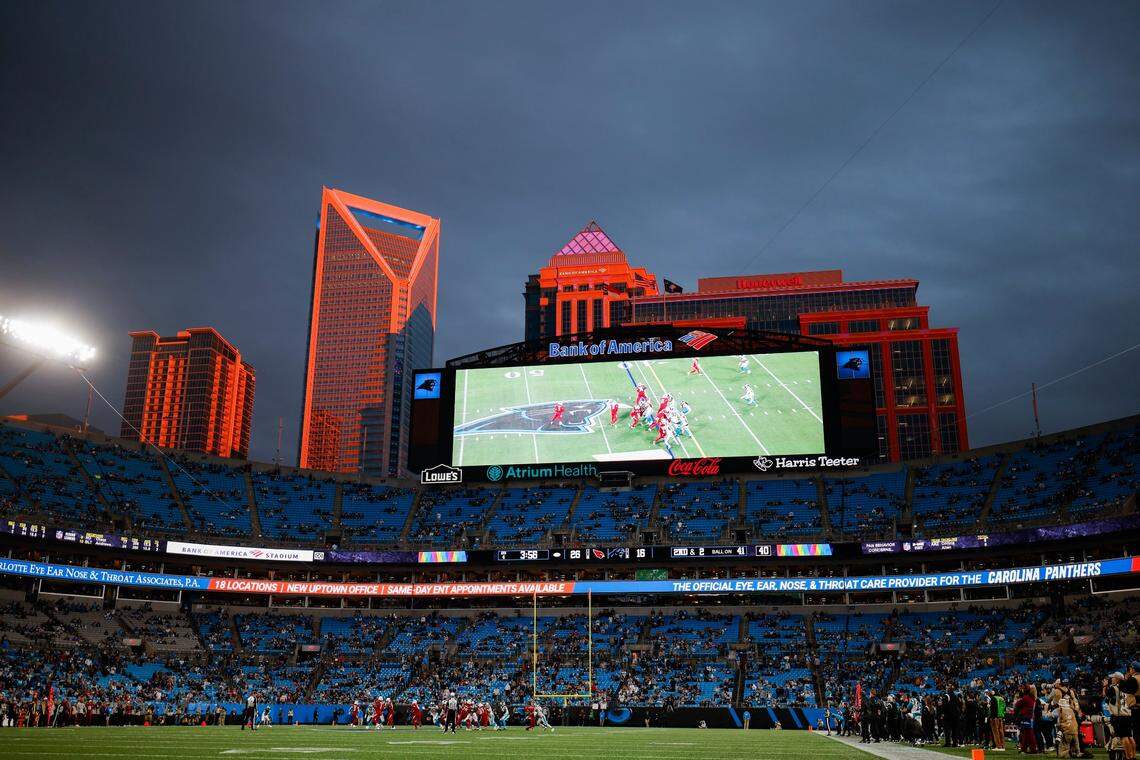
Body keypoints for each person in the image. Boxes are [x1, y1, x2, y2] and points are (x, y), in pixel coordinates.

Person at [1106, 671, 1135, 760]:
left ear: (1118, 679)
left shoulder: (1114, 688)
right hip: (1128, 714)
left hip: (1120, 715)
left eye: (1113, 677)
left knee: (1124, 737)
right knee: (1130, 737)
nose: (1111, 679)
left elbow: (1107, 697)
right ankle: (1132, 756)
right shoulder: (1128, 688)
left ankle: (1128, 757)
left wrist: (1105, 686)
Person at [1012, 684, 1039, 754]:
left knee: (1028, 734)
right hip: (1029, 717)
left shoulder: (1026, 698)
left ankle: (1032, 748)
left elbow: (1017, 704)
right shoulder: (1032, 698)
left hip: (1026, 717)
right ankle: (1026, 748)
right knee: (1027, 733)